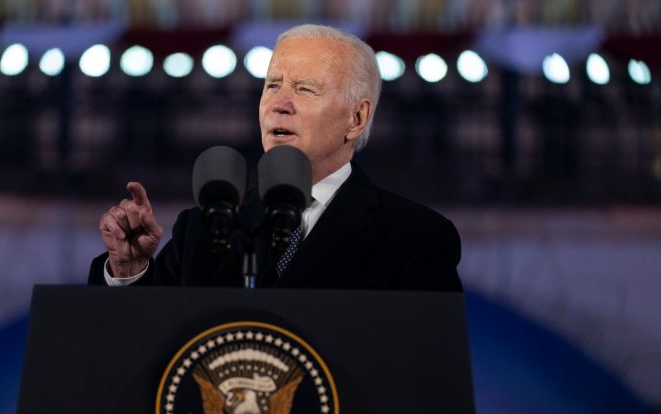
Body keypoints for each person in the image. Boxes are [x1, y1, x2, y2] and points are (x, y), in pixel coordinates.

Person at [89, 24, 462, 292]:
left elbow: (425, 377)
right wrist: (128, 269)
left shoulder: (416, 238)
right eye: (272, 85)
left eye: (304, 89)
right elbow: (136, 351)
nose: (279, 105)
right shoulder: (202, 233)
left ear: (357, 118)